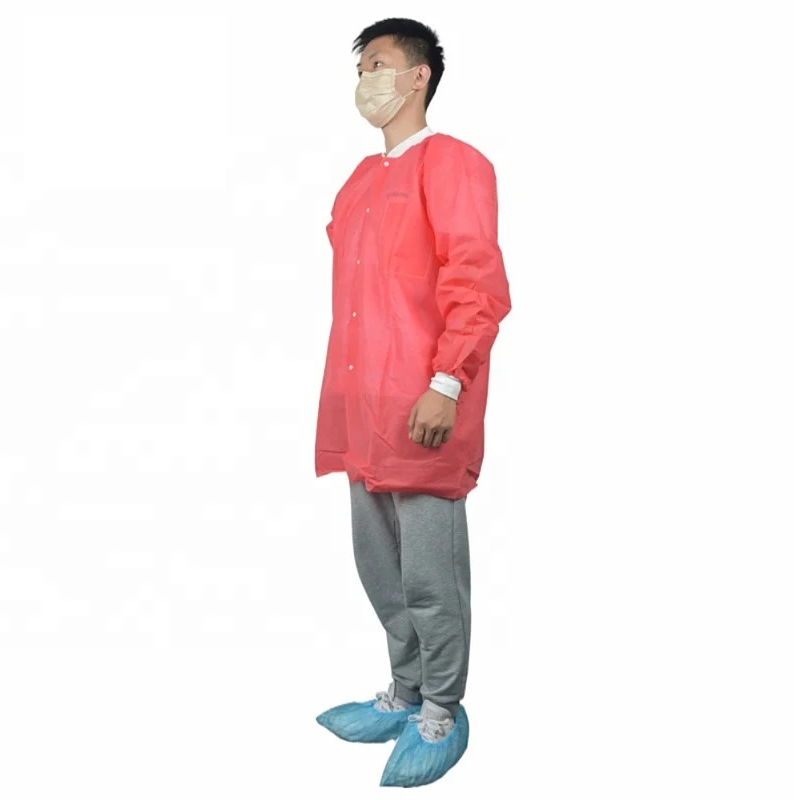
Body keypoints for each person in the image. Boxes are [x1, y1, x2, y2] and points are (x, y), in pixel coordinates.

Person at [314, 17, 511, 788]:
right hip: (360, 403)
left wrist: (447, 382)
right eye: (361, 67)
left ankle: (441, 709)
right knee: (379, 566)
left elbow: (476, 285)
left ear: (419, 74)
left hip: (423, 401)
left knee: (430, 574)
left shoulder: (454, 164)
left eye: (379, 63)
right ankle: (403, 691)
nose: (367, 79)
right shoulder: (360, 181)